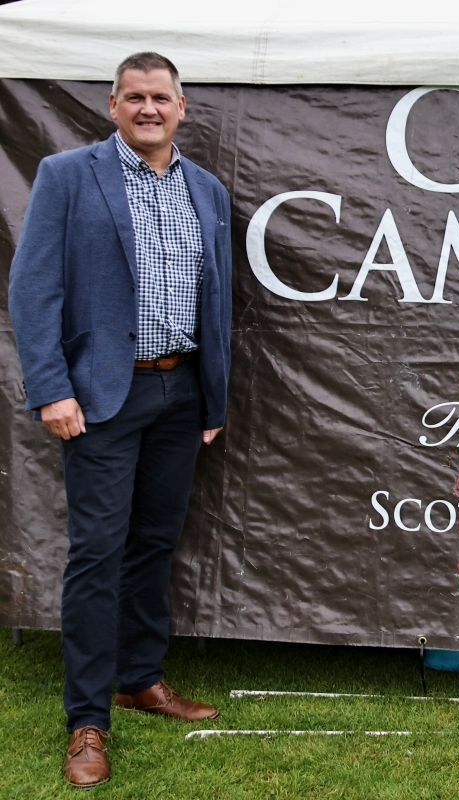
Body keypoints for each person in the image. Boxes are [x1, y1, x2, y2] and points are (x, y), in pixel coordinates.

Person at [8, 52, 232, 788]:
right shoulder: (69, 176)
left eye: (159, 97)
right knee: (97, 553)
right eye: (133, 97)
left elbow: (220, 301)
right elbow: (33, 290)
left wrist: (212, 399)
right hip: (100, 398)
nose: (147, 108)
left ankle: (140, 678)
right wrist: (52, 389)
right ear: (111, 105)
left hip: (180, 397)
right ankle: (87, 723)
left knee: (155, 544)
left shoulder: (207, 189)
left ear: (181, 106)